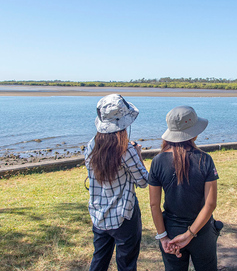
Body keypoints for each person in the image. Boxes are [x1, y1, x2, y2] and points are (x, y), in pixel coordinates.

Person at [148, 106, 220, 271]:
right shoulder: (205, 160)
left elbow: (154, 205)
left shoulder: (157, 161)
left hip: (171, 230)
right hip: (202, 231)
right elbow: (210, 204)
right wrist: (190, 234)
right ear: (194, 133)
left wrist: (163, 236)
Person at [84, 94, 148, 271]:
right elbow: (143, 181)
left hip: (99, 213)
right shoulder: (125, 149)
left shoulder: (91, 145)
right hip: (124, 215)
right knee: (126, 263)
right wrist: (138, 154)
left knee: (99, 260)